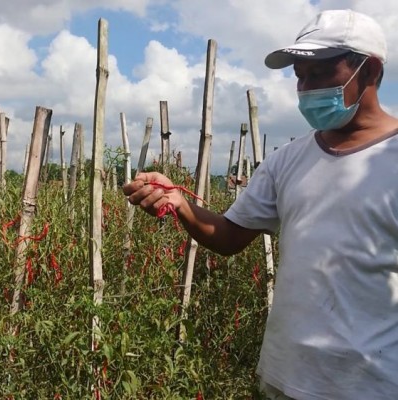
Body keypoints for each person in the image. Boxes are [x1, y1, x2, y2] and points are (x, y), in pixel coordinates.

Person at [123, 9, 398, 400]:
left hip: (371, 386)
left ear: (369, 71)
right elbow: (230, 237)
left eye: (320, 73)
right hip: (283, 377)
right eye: (300, 76)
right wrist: (179, 203)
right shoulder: (287, 161)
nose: (306, 87)